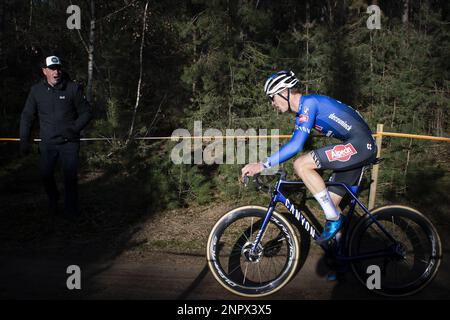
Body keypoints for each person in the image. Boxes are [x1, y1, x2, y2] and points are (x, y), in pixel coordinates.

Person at [241, 70, 377, 243]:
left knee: (301, 164)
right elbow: (294, 142)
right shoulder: (302, 113)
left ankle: (335, 220)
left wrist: (262, 165)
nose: (272, 103)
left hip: (360, 145)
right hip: (358, 147)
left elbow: (296, 145)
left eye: (272, 97)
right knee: (331, 204)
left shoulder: (309, 103)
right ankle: (340, 262)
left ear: (284, 92)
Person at [20, 55, 92, 219]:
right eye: (52, 69)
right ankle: (53, 199)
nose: (56, 72)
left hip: (69, 143)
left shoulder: (73, 89)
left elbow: (87, 113)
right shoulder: (36, 91)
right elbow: (27, 116)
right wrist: (24, 140)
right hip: (48, 144)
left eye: (58, 68)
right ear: (44, 71)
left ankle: (71, 211)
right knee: (45, 174)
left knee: (70, 178)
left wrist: (73, 129)